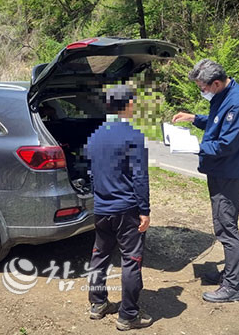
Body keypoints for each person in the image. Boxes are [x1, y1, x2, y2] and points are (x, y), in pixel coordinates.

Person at [172, 58, 239, 303]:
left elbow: (226, 143)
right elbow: (216, 123)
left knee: (227, 228)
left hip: (229, 173)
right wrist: (194, 118)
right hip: (220, 171)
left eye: (202, 87)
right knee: (222, 223)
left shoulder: (237, 103)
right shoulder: (224, 95)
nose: (201, 91)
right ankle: (229, 273)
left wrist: (194, 146)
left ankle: (233, 286)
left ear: (216, 83)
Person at [85, 84, 153, 331]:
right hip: (126, 209)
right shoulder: (133, 135)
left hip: (102, 208)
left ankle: (98, 304)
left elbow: (91, 174)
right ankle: (129, 315)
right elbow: (140, 177)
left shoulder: (95, 135)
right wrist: (144, 210)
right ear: (129, 105)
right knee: (131, 260)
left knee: (99, 255)